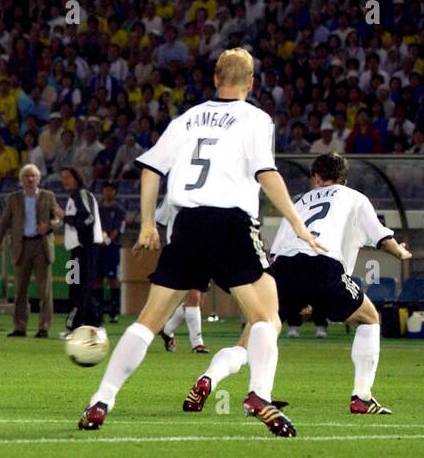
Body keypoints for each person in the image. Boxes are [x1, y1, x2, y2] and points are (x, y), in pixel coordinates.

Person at [79, 48, 321, 437]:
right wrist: (298, 223)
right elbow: (266, 173)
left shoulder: (186, 119)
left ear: (215, 79)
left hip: (187, 225)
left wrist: (146, 225)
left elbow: (151, 168)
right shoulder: (256, 118)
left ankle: (101, 400)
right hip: (230, 225)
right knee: (266, 317)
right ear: (252, 83)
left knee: (147, 321)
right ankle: (259, 394)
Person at [183, 152, 413, 416]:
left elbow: (277, 252)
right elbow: (381, 237)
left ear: (316, 177)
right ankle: (362, 397)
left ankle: (209, 378)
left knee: (252, 337)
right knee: (370, 319)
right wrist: (400, 252)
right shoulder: (354, 197)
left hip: (283, 269)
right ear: (344, 178)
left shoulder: (299, 201)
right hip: (323, 267)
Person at [0, 164, 62, 337]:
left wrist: (50, 226)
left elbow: (58, 218)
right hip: (21, 245)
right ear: (21, 179)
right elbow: (4, 221)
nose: (30, 179)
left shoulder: (48, 196)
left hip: (41, 245)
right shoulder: (13, 198)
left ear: (38, 179)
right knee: (20, 289)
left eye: (33, 176)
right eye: (27, 176)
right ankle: (20, 326)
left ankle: (44, 327)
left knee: (44, 290)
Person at [153, 196, 209, 354]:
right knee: (194, 296)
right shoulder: (174, 191)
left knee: (197, 300)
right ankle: (197, 343)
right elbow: (159, 218)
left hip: (206, 249)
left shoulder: (212, 190)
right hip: (180, 248)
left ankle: (165, 329)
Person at [60, 166, 103, 333]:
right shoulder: (74, 196)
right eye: (62, 177)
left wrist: (65, 217)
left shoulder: (81, 194)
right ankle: (94, 322)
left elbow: (88, 218)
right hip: (76, 249)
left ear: (76, 178)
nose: (65, 180)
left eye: (68, 177)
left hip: (84, 248)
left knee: (79, 286)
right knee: (76, 284)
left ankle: (75, 325)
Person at [95, 181, 126, 321]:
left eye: (111, 190)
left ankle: (114, 311)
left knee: (113, 279)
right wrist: (100, 239)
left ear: (115, 192)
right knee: (97, 279)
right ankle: (98, 310)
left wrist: (107, 240)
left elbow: (119, 229)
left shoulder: (119, 210)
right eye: (106, 190)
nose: (108, 193)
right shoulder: (98, 209)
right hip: (98, 247)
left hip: (112, 248)